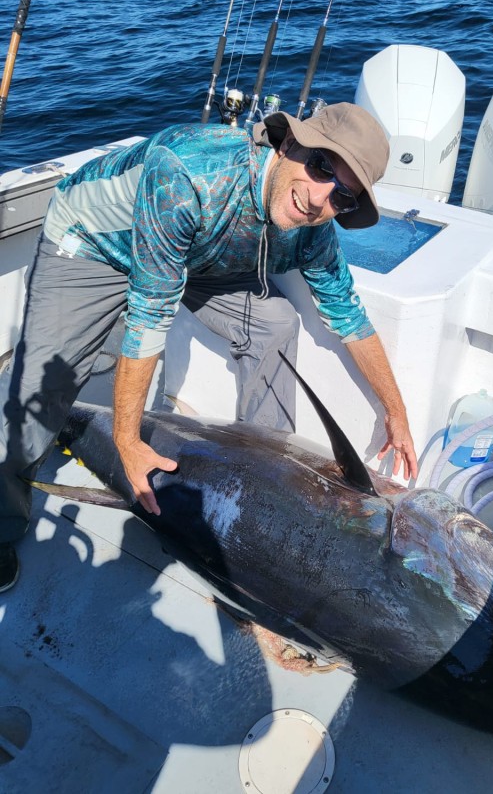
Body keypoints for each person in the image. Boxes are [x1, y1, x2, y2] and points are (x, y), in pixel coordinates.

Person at [0, 101, 418, 592]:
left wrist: (396, 413)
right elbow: (150, 314)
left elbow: (349, 317)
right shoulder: (187, 174)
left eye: (343, 197)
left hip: (190, 253)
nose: (320, 197)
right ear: (287, 144)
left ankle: (268, 481)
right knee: (33, 400)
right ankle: (4, 520)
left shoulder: (312, 230)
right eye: (322, 166)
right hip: (93, 241)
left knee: (275, 323)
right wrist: (129, 444)